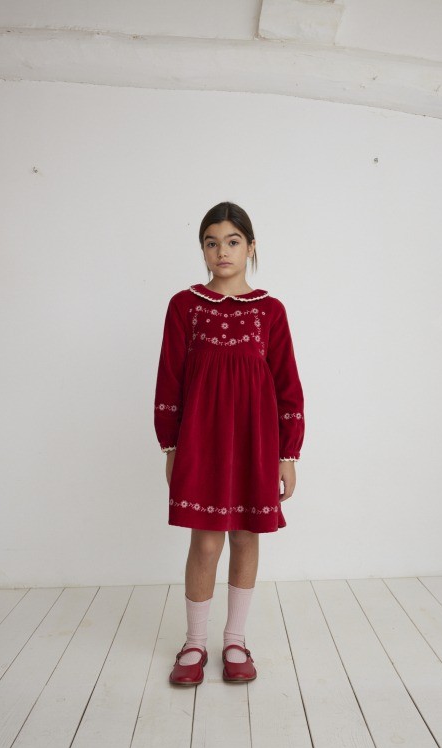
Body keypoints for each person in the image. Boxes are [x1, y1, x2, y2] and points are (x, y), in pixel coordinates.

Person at [154, 201, 305, 685]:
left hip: (256, 442)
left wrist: (287, 454)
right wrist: (171, 447)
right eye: (212, 242)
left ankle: (235, 639)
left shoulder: (270, 311)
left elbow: (287, 383)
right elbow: (169, 379)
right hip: (201, 441)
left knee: (245, 536)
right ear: (202, 249)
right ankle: (195, 642)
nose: (222, 251)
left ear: (251, 247)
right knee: (205, 541)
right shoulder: (185, 306)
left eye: (233, 241)